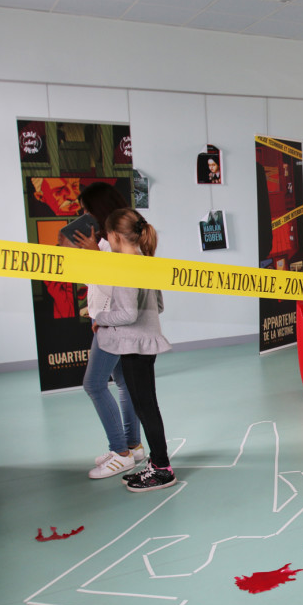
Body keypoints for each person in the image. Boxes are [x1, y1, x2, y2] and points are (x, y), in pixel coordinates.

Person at [93, 208, 175, 491]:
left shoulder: (127, 267)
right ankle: (157, 462)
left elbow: (128, 314)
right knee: (146, 406)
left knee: (145, 408)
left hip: (134, 345)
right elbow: (158, 305)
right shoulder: (145, 261)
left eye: (107, 236)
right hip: (145, 343)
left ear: (116, 236)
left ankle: (162, 469)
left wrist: (100, 318)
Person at [69, 183, 144, 479]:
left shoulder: (116, 243)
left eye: (87, 210)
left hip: (113, 323)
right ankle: (133, 446)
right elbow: (96, 283)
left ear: (98, 210)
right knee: (123, 382)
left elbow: (118, 289)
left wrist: (95, 257)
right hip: (105, 320)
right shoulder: (103, 241)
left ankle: (121, 453)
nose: (83, 216)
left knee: (94, 384)